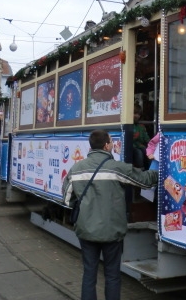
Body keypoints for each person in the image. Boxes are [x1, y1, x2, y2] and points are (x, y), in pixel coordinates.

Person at [62, 129, 158, 300]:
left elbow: (67, 199)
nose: (113, 145)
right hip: (112, 231)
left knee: (89, 274)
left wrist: (86, 209)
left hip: (86, 230)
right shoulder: (117, 168)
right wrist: (165, 167)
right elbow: (144, 180)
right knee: (112, 274)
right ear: (106, 146)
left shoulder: (76, 169)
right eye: (112, 142)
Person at [131, 104, 150, 169]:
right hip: (131, 146)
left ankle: (150, 169)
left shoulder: (141, 126)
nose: (137, 116)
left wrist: (151, 146)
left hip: (139, 146)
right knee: (138, 153)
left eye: (139, 114)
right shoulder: (128, 126)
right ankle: (140, 170)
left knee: (148, 151)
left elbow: (146, 138)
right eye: (135, 113)